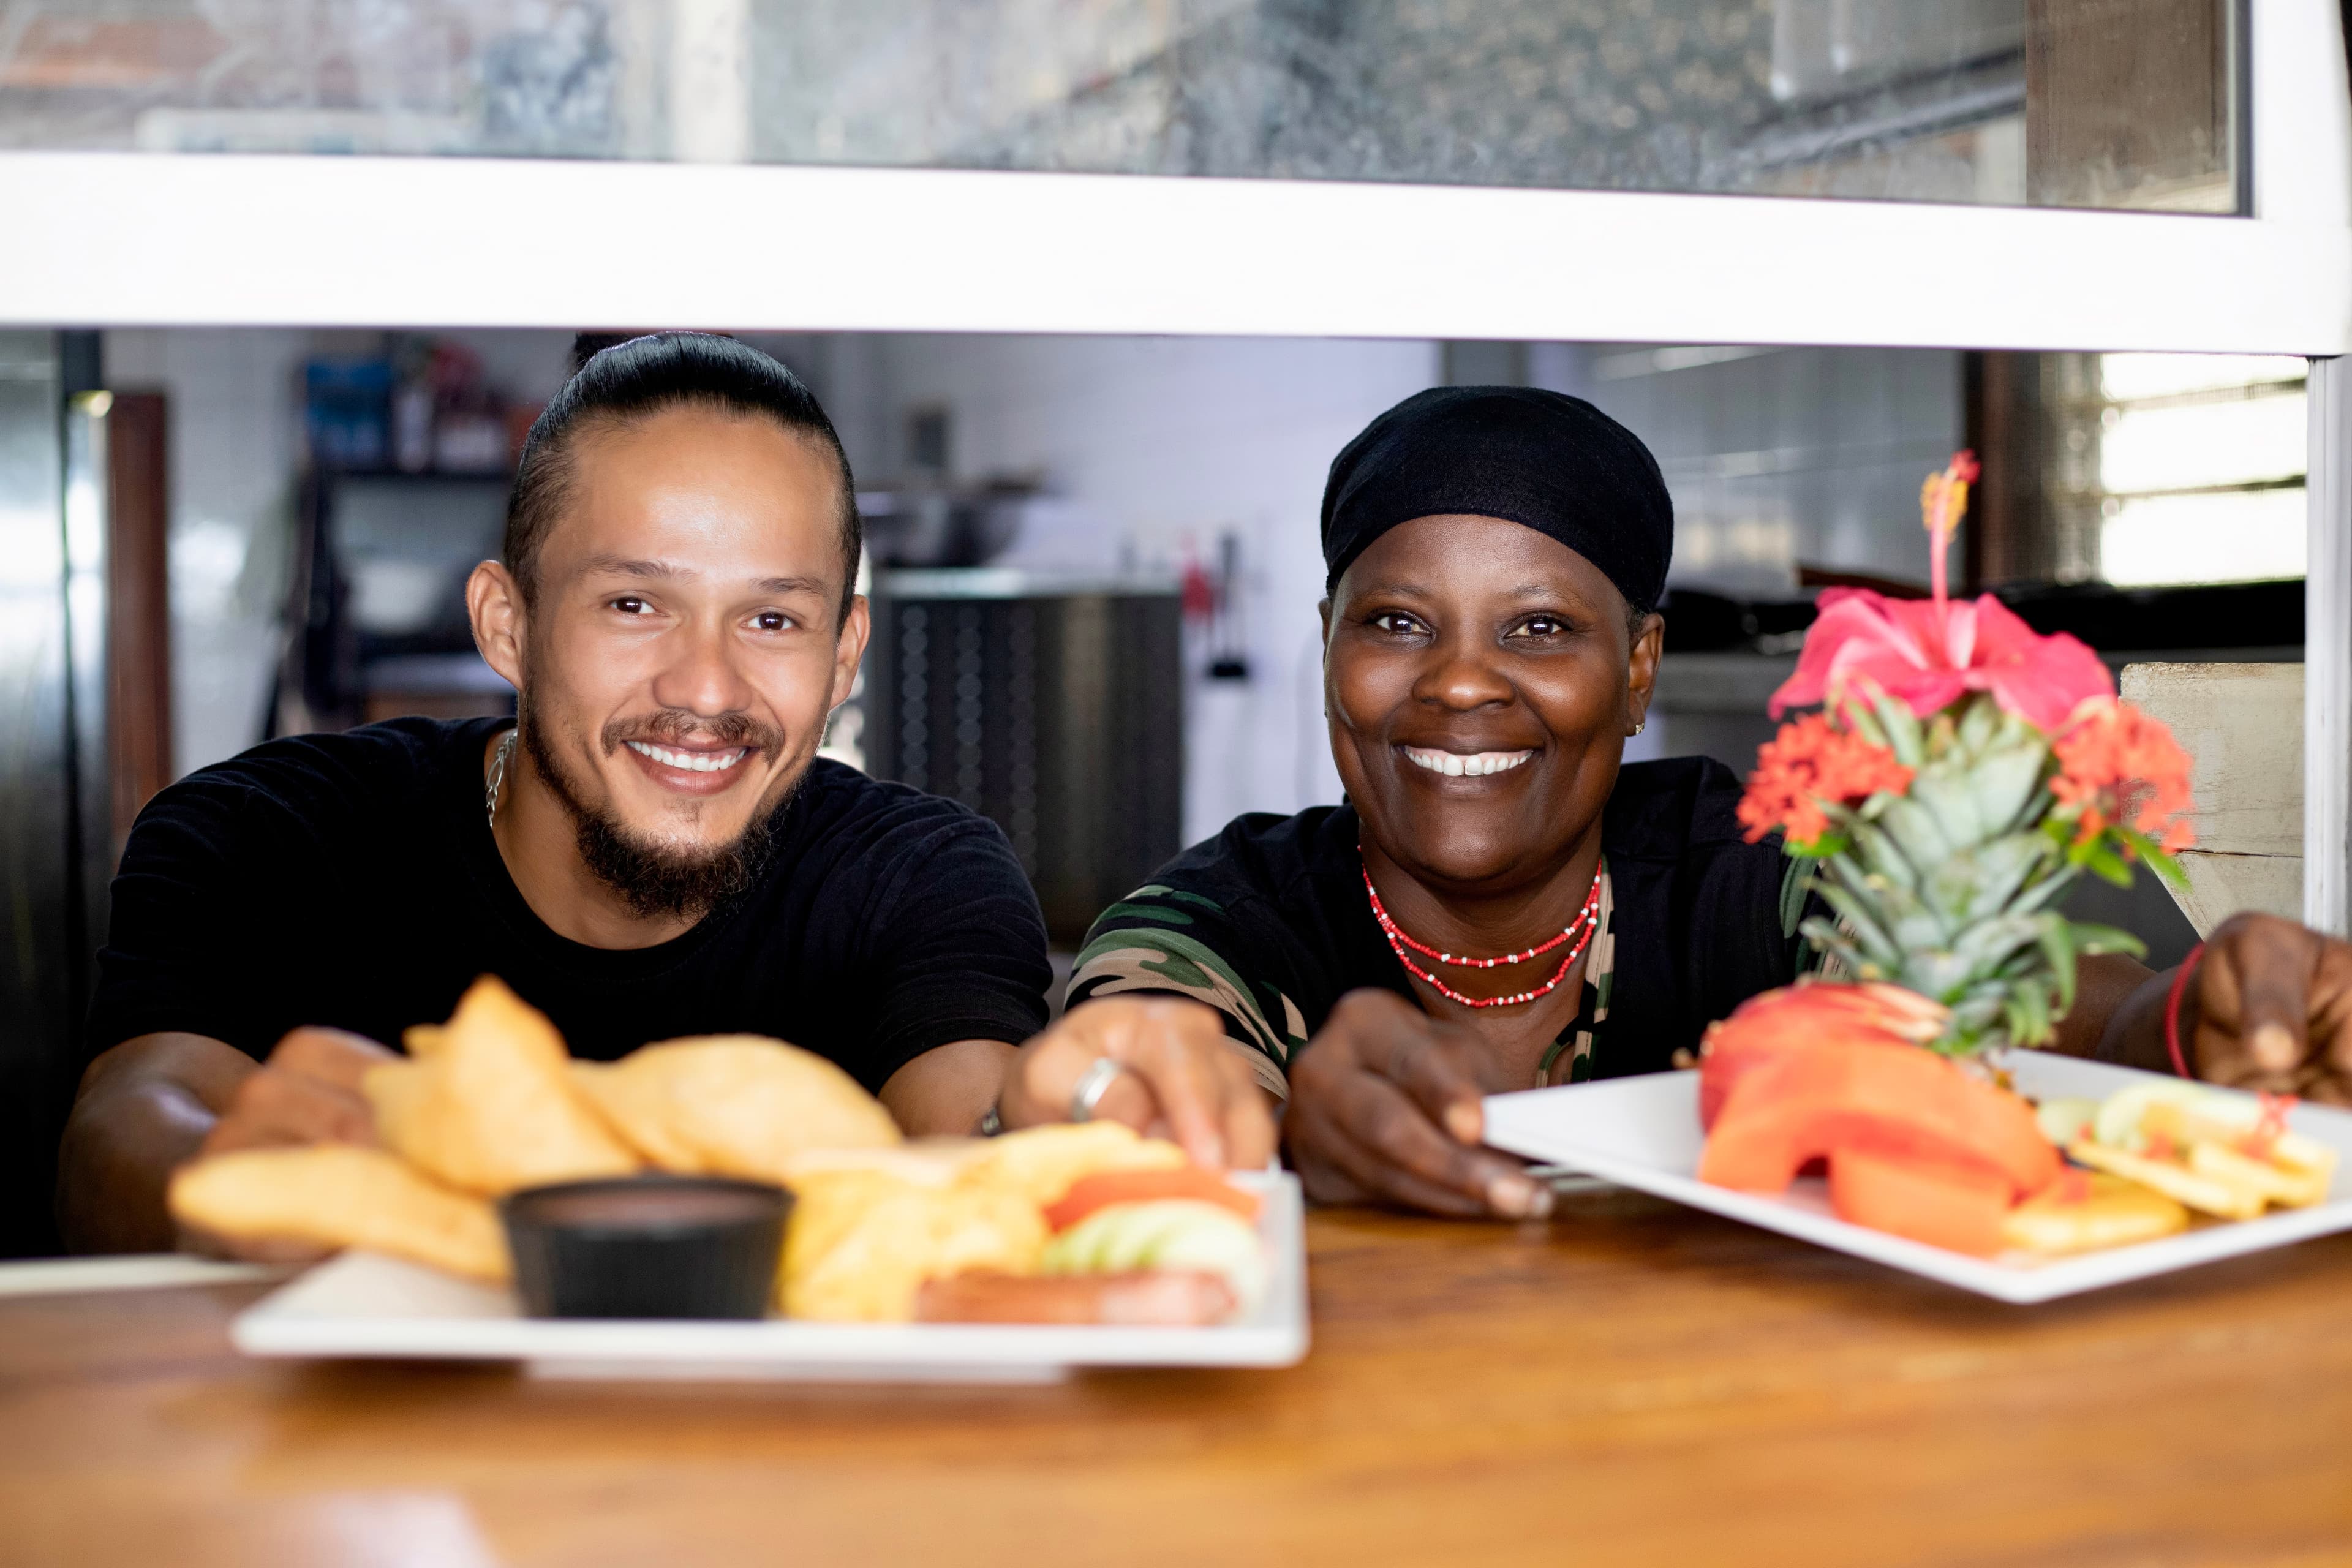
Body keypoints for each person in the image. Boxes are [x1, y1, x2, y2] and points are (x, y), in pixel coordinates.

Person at [59, 333, 1269, 1255]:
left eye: (772, 616)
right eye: (636, 603)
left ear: (844, 655)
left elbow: (962, 1131)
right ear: (509, 622)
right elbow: (122, 1122)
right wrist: (218, 1165)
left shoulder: (915, 873)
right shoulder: (277, 832)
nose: (706, 685)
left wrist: (1059, 1124)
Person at [1065, 385, 2352, 1221]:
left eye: (1541, 627)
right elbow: (1113, 1079)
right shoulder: (1219, 919)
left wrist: (2196, 1023)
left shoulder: (1761, 871)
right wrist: (1287, 1134)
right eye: (1396, 622)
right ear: (1328, 643)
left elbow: (2019, 1012)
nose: (1458, 681)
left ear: (1637, 672)